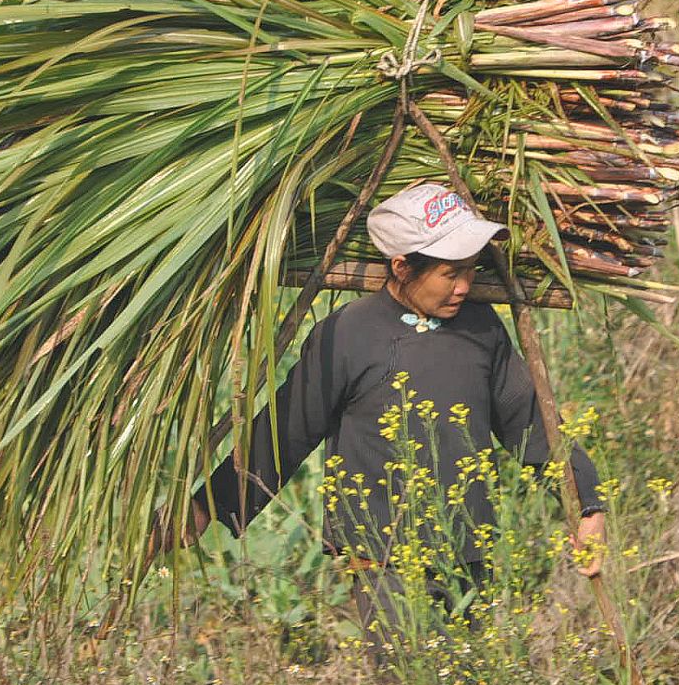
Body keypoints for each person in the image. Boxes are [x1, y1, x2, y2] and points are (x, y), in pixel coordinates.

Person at [156, 182, 608, 653]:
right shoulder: (349, 334)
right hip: (386, 559)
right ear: (401, 266)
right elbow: (286, 431)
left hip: (469, 553)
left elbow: (529, 422)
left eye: (470, 271)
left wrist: (588, 505)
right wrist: (208, 504)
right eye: (449, 274)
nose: (464, 287)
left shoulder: (481, 329)